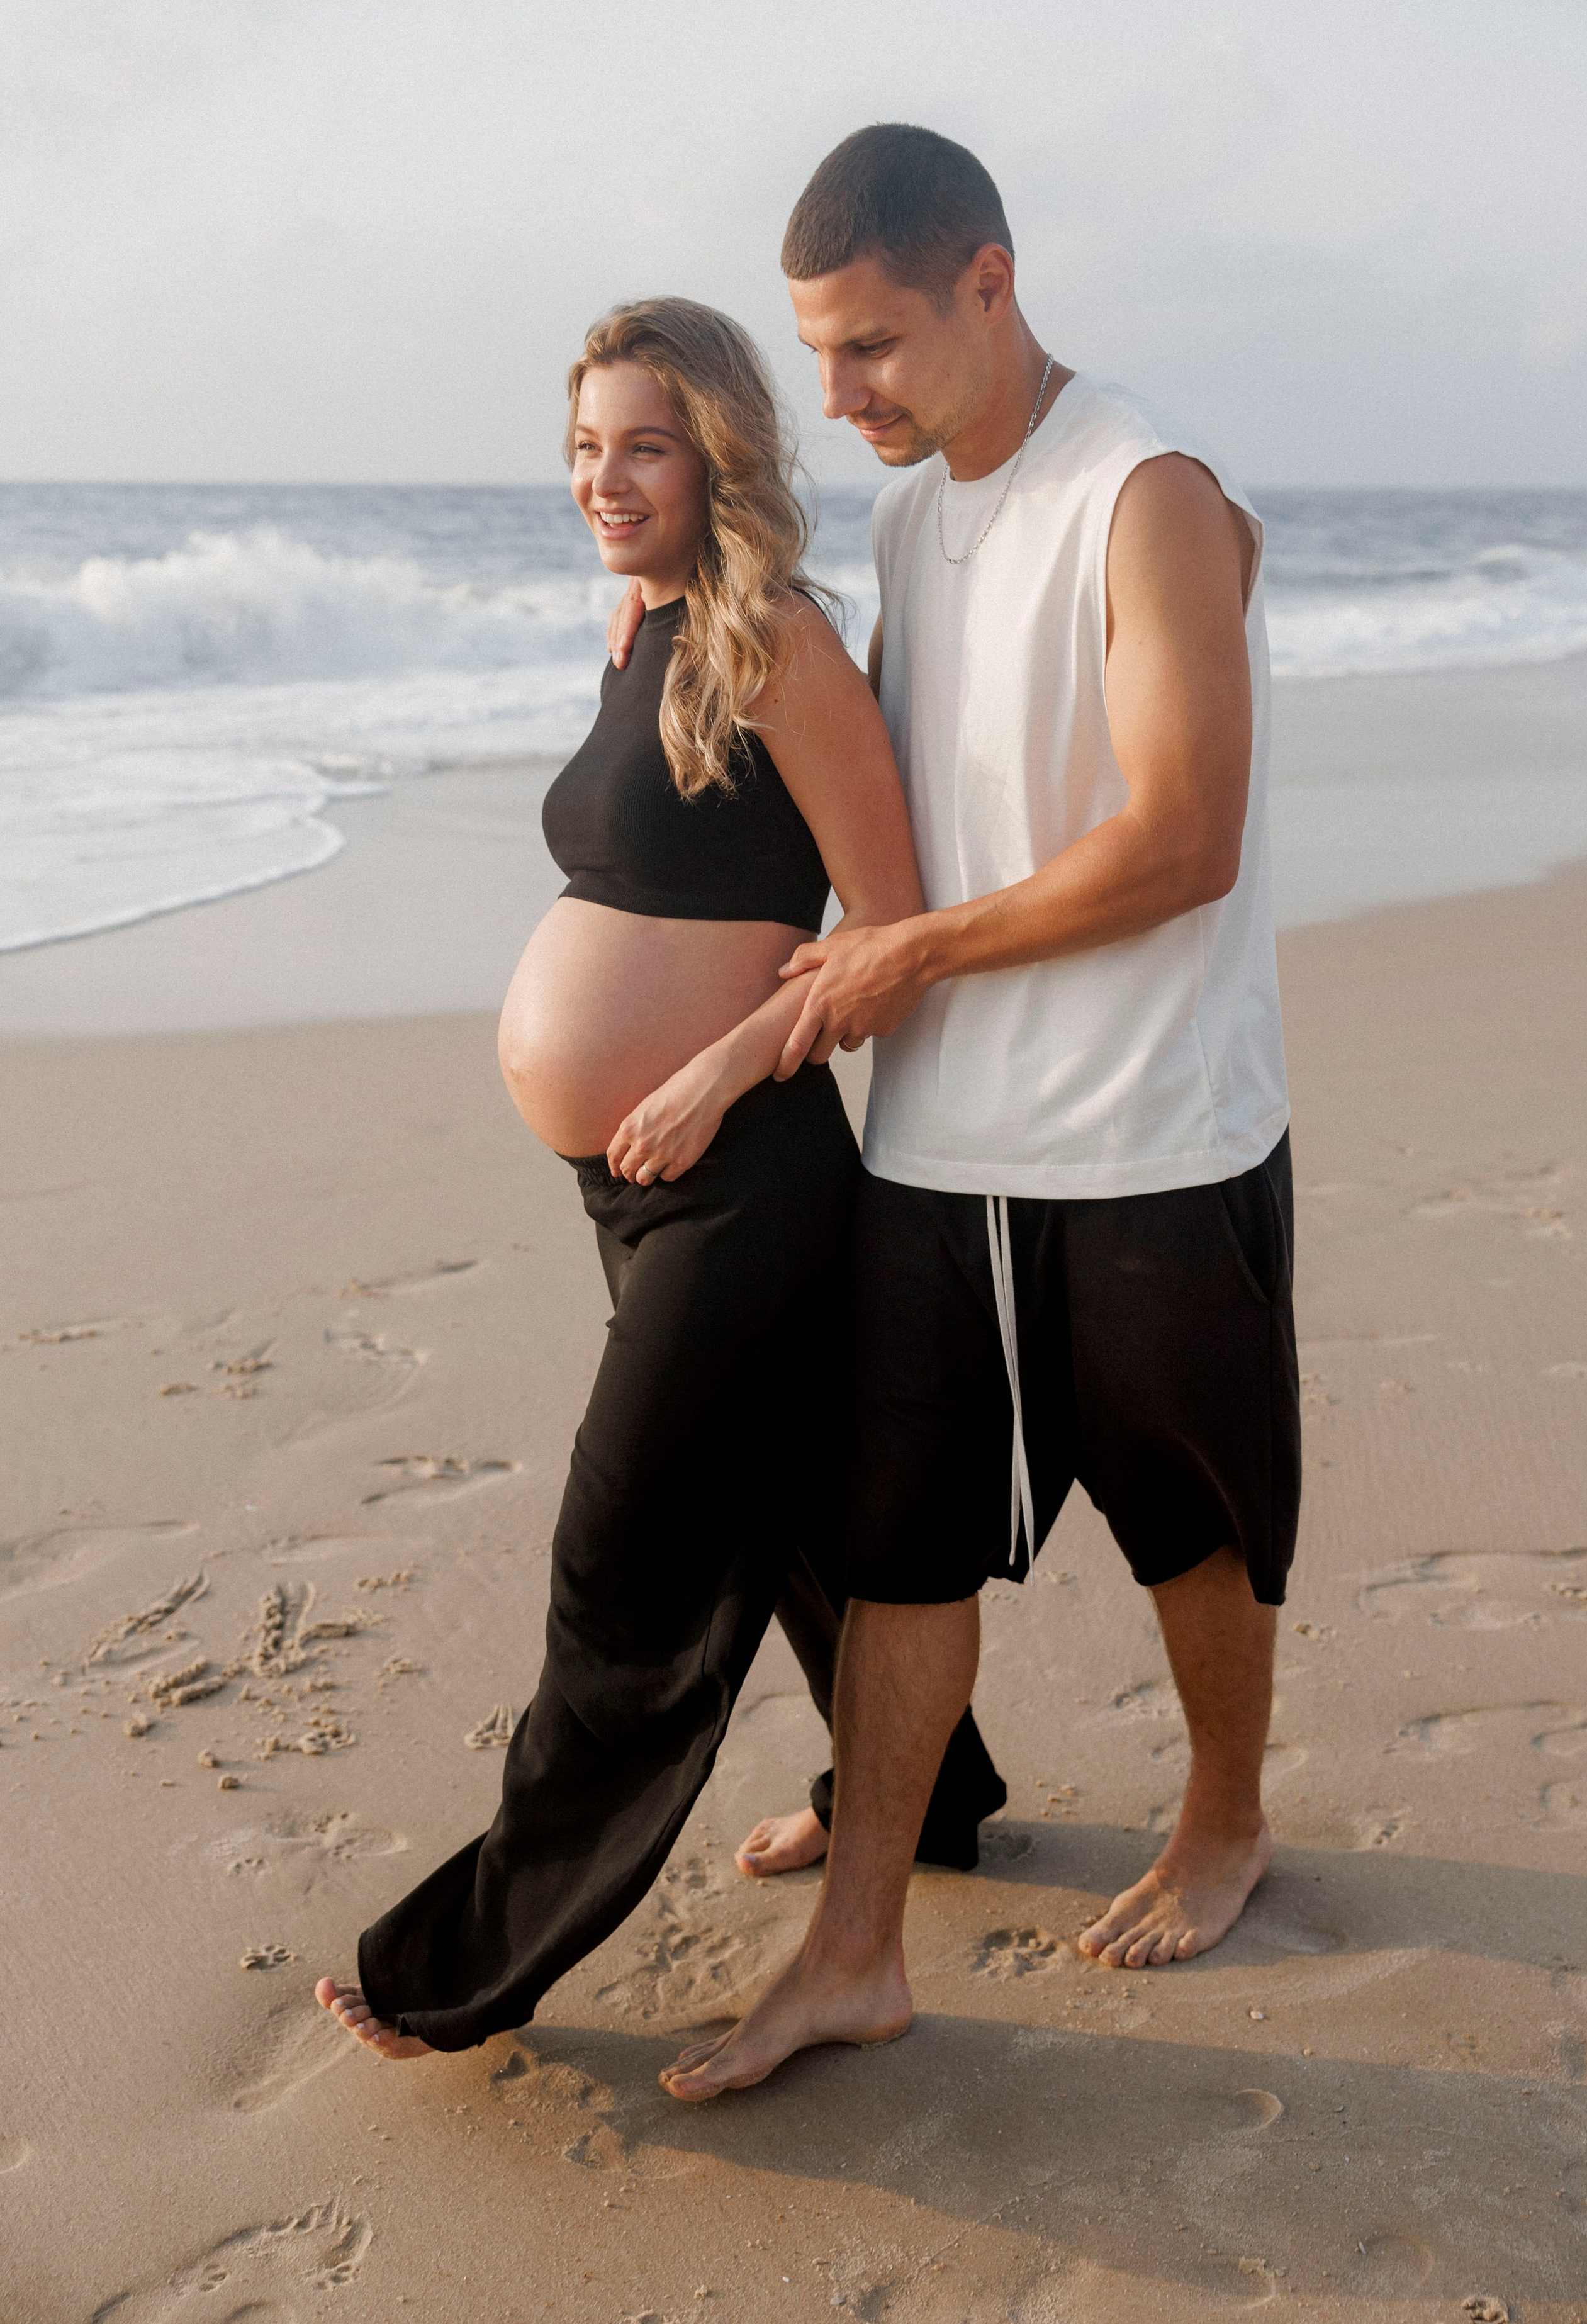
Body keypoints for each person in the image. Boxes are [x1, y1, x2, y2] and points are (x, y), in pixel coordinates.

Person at [641, 126, 1301, 2103]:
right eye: (819, 357)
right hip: (939, 1144)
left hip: (1155, 1131)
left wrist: (906, 961)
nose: (839, 398)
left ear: (991, 285)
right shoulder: (920, 507)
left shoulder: (1148, 491)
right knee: (899, 1538)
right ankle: (858, 1946)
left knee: (1193, 1522)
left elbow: (1182, 839)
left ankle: (1228, 1815)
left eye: (872, 351)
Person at [313, 295, 1006, 2059]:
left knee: (622, 1562)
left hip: (749, 1173)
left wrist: (710, 1064)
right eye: (580, 448)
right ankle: (934, 1792)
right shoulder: (645, 626)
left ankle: (464, 1959)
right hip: (638, 1186)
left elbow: (892, 922)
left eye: (639, 445)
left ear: (717, 456)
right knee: (783, 1509)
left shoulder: (781, 642)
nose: (598, 481)